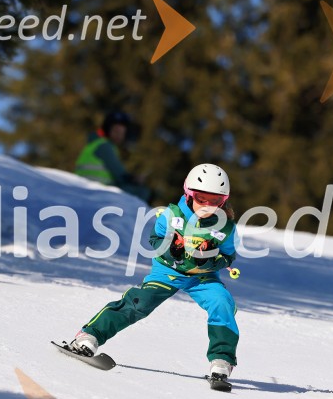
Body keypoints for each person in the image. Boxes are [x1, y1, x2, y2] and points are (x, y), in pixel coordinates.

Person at [69, 163, 240, 384]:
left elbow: (227, 257)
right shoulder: (171, 215)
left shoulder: (226, 226)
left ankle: (222, 361)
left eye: (215, 201)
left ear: (224, 201)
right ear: (189, 195)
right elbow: (155, 240)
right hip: (167, 271)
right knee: (141, 302)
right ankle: (89, 336)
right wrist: (172, 248)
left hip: (202, 277)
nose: (208, 206)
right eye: (201, 198)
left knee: (222, 302)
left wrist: (210, 257)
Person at [74, 110, 152, 202]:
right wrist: (134, 179)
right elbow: (120, 174)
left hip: (91, 189)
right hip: (97, 191)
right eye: (116, 131)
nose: (119, 136)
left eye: (122, 133)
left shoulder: (96, 144)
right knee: (142, 192)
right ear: (108, 130)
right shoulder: (104, 146)